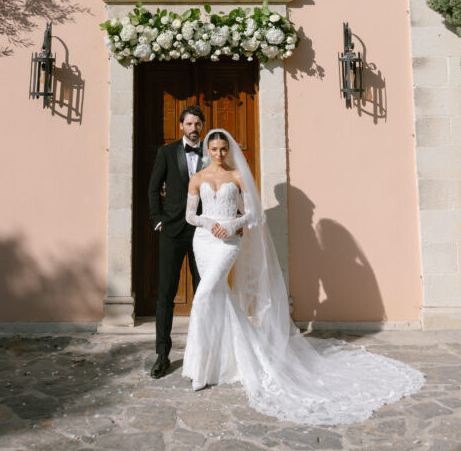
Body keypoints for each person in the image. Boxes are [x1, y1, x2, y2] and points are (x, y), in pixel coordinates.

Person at [182, 128, 426, 425]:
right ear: (207, 150)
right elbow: (190, 216)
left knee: (204, 294)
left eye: (223, 149)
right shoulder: (197, 178)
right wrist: (209, 223)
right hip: (204, 241)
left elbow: (253, 214)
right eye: (215, 149)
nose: (219, 154)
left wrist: (232, 226)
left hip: (229, 242)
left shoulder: (237, 177)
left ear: (228, 150)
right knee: (217, 295)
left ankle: (197, 369)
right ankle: (219, 364)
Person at [147, 105, 204, 379]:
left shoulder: (211, 152)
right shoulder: (167, 152)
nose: (194, 129)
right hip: (171, 231)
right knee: (166, 295)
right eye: (190, 124)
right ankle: (162, 356)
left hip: (201, 234)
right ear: (182, 125)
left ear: (202, 127)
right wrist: (157, 219)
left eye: (198, 124)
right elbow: (153, 188)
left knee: (203, 294)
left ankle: (203, 354)